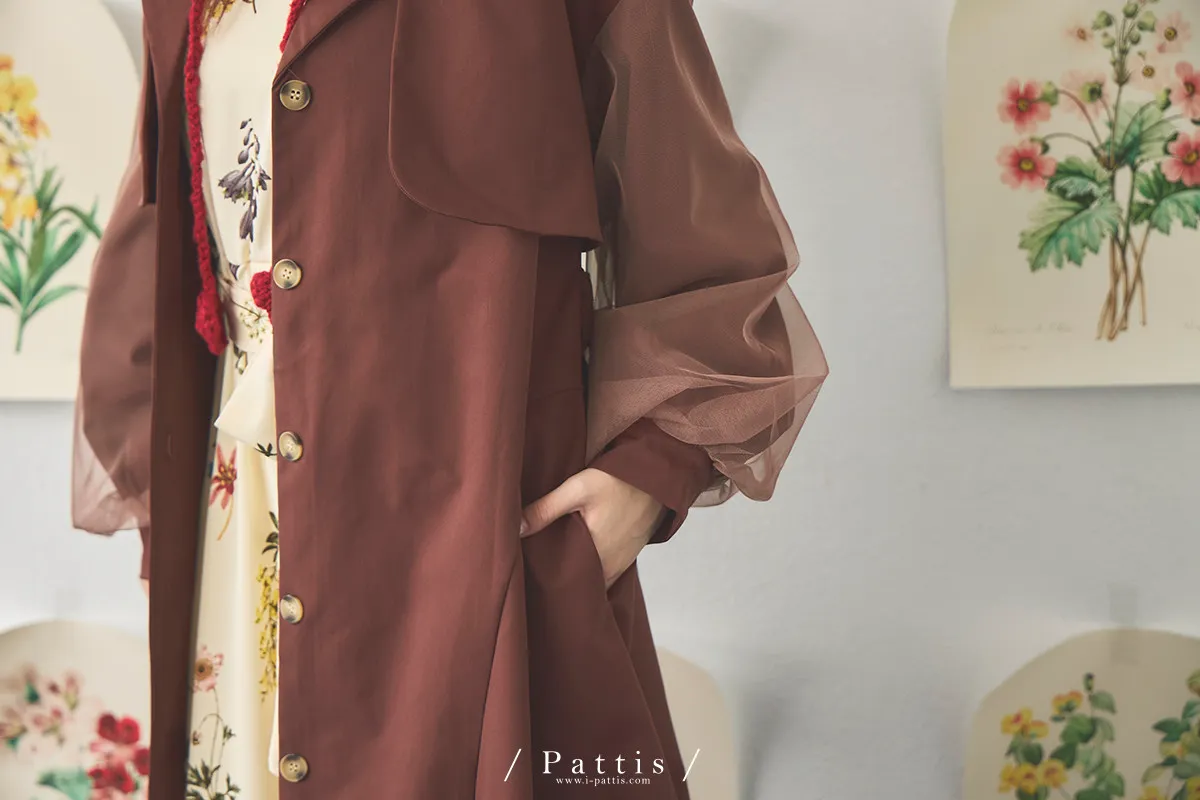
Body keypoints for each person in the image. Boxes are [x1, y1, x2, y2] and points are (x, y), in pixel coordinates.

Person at [70, 0, 828, 797]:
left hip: (472, 563)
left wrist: (646, 476)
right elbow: (162, 253)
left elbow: (709, 251)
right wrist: (163, 525)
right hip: (238, 551)